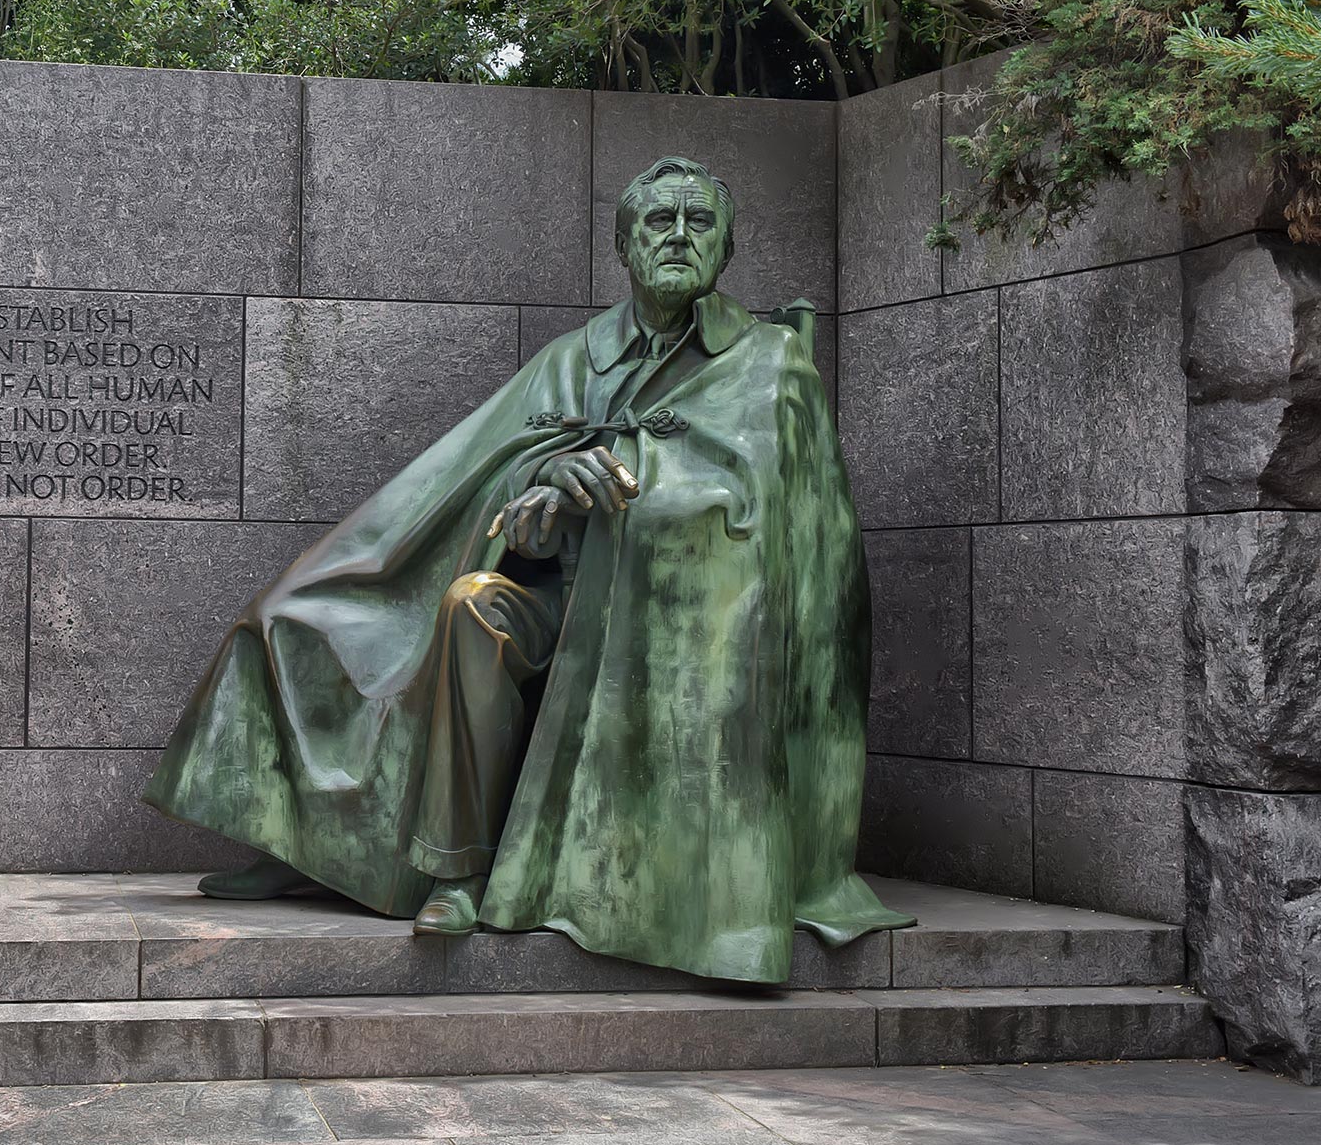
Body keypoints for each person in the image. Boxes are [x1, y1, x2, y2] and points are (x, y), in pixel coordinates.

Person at [142, 155, 913, 983]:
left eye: (699, 223)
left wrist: (632, 484)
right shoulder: (572, 359)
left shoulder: (770, 363)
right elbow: (490, 478)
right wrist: (542, 486)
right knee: (417, 606)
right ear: (625, 244)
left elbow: (786, 531)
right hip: (557, 605)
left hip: (664, 635)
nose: (680, 237)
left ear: (726, 250)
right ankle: (413, 860)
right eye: (660, 222)